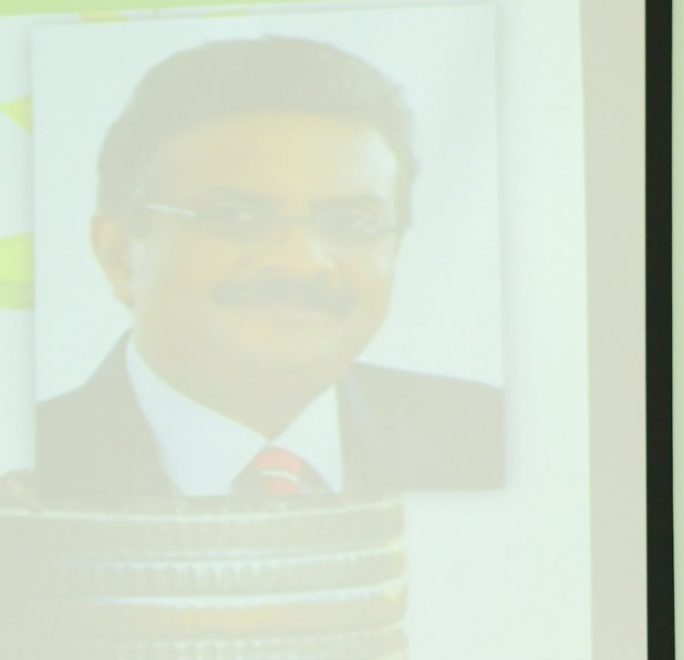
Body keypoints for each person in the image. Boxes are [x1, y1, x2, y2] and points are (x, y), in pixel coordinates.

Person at [35, 36, 504, 500]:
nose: (301, 262)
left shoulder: (489, 436)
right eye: (237, 217)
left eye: (352, 222)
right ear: (121, 255)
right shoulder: (24, 461)